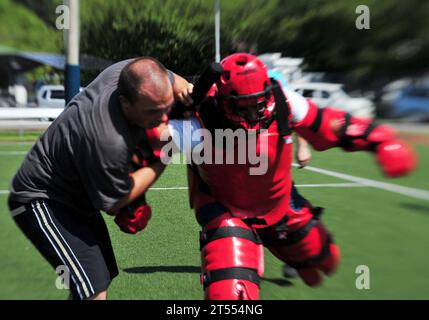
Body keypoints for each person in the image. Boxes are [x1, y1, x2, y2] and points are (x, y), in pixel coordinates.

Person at [166, 53, 417, 300]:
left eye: (258, 105)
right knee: (230, 292)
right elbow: (151, 146)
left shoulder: (284, 100)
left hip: (278, 200)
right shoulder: (199, 118)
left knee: (322, 259)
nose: (254, 115)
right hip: (225, 208)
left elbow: (329, 124)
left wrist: (379, 140)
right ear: (224, 101)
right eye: (245, 107)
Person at [7, 57, 193, 300]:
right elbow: (116, 201)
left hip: (78, 196)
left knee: (101, 274)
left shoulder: (130, 75)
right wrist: (165, 154)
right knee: (94, 288)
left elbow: (171, 79)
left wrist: (190, 94)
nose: (162, 117)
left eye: (166, 107)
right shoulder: (108, 138)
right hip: (42, 199)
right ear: (125, 103)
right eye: (152, 111)